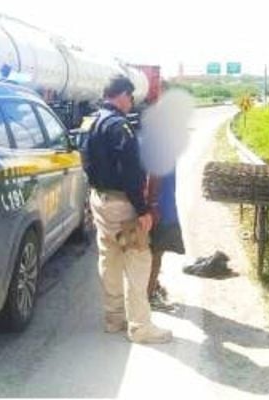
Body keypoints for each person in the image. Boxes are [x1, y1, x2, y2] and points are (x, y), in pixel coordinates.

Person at [82, 75, 172, 344]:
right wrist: (144, 209)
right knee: (138, 261)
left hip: (99, 199)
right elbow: (132, 175)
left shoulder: (89, 122)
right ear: (122, 95)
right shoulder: (121, 128)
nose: (131, 103)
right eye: (130, 98)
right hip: (123, 205)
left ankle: (114, 319)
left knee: (108, 258)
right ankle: (140, 327)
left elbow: (84, 160)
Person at [147, 169, 185, 310]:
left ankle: (152, 287)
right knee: (156, 253)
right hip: (160, 207)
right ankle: (149, 296)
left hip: (159, 203)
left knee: (154, 252)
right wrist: (153, 204)